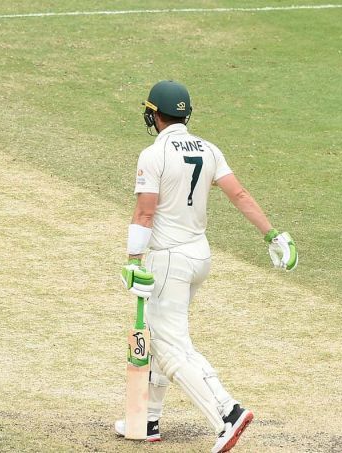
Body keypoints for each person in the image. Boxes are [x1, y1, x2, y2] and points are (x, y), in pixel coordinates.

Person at [117, 80, 298, 452]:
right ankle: (146, 420)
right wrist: (272, 235)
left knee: (170, 348)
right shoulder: (209, 149)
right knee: (162, 337)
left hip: (168, 260)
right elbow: (239, 194)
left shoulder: (153, 155)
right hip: (200, 257)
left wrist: (134, 261)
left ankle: (226, 413)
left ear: (155, 114)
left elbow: (144, 211)